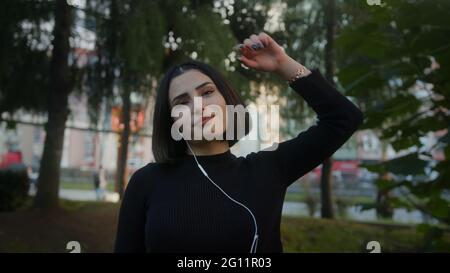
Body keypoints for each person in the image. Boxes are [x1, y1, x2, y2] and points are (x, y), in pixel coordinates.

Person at [114, 32, 364, 253]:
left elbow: (344, 118)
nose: (198, 107)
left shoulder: (269, 169)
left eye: (207, 92)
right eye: (182, 102)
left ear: (228, 101)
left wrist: (282, 64)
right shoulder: (146, 182)